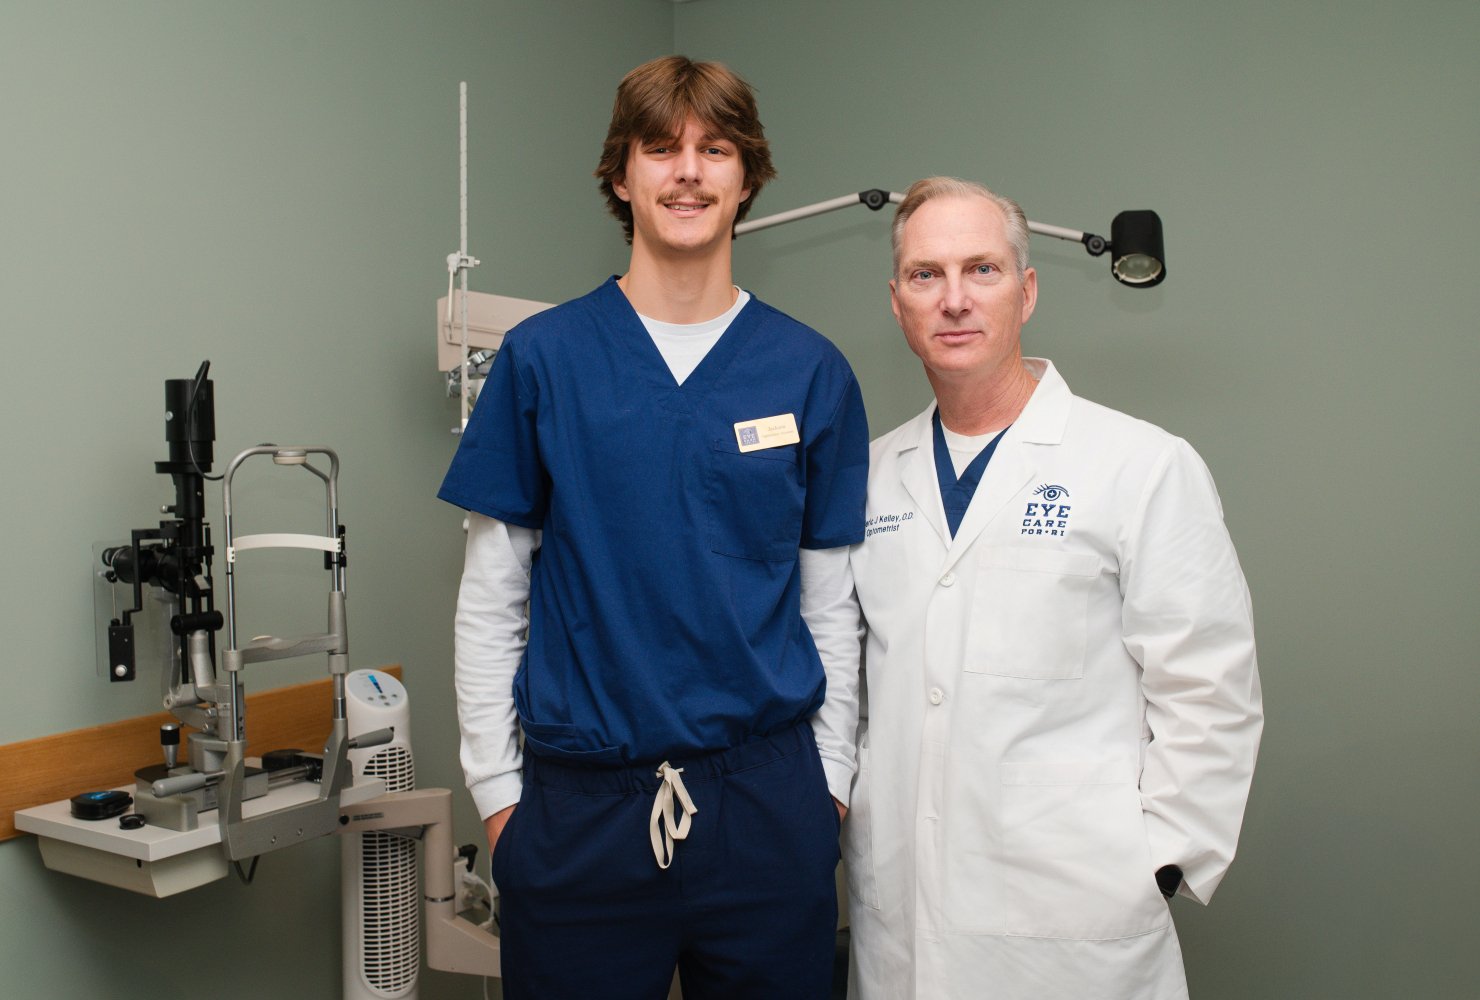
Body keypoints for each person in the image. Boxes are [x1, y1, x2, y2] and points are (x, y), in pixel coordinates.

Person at [438, 55, 868, 1000]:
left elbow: (831, 605)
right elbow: (491, 601)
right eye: (661, 147)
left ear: (746, 177)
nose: (688, 171)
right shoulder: (545, 360)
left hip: (766, 809)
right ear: (620, 174)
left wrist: (825, 789)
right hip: (581, 815)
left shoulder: (809, 372)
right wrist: (501, 800)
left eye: (715, 149)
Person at [844, 176, 1262, 1000]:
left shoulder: (1139, 464)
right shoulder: (866, 477)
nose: (955, 299)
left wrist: (1158, 864)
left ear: (1027, 291)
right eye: (927, 275)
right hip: (901, 921)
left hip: (1078, 929)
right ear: (897, 304)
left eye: (983, 270)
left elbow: (1210, 686)